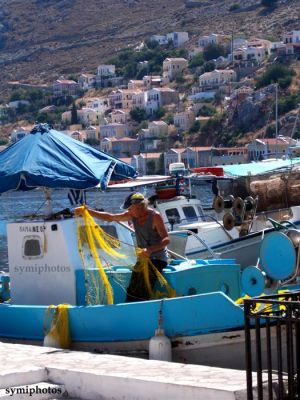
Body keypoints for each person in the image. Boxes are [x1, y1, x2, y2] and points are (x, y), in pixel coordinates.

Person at [75, 192, 169, 302]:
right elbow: (111, 217)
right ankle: (131, 311)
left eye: (130, 209)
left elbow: (166, 239)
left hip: (157, 259)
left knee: (142, 290)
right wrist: (88, 211)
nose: (128, 211)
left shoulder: (155, 217)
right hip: (143, 259)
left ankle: (141, 312)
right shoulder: (133, 215)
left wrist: (150, 250)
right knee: (131, 290)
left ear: (139, 207)